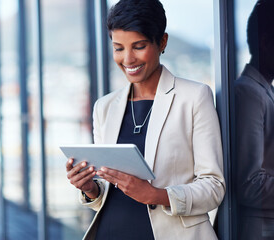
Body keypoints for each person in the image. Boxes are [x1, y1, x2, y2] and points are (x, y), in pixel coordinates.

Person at [66, 0, 225, 239]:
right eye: (118, 48)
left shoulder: (194, 97)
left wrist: (156, 195)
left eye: (138, 46)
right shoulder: (104, 107)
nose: (128, 59)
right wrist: (90, 189)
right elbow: (107, 193)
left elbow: (214, 187)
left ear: (162, 42)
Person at [234, 0, 274, 239]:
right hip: (259, 230)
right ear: (267, 43)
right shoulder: (248, 93)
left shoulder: (261, 90)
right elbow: (249, 184)